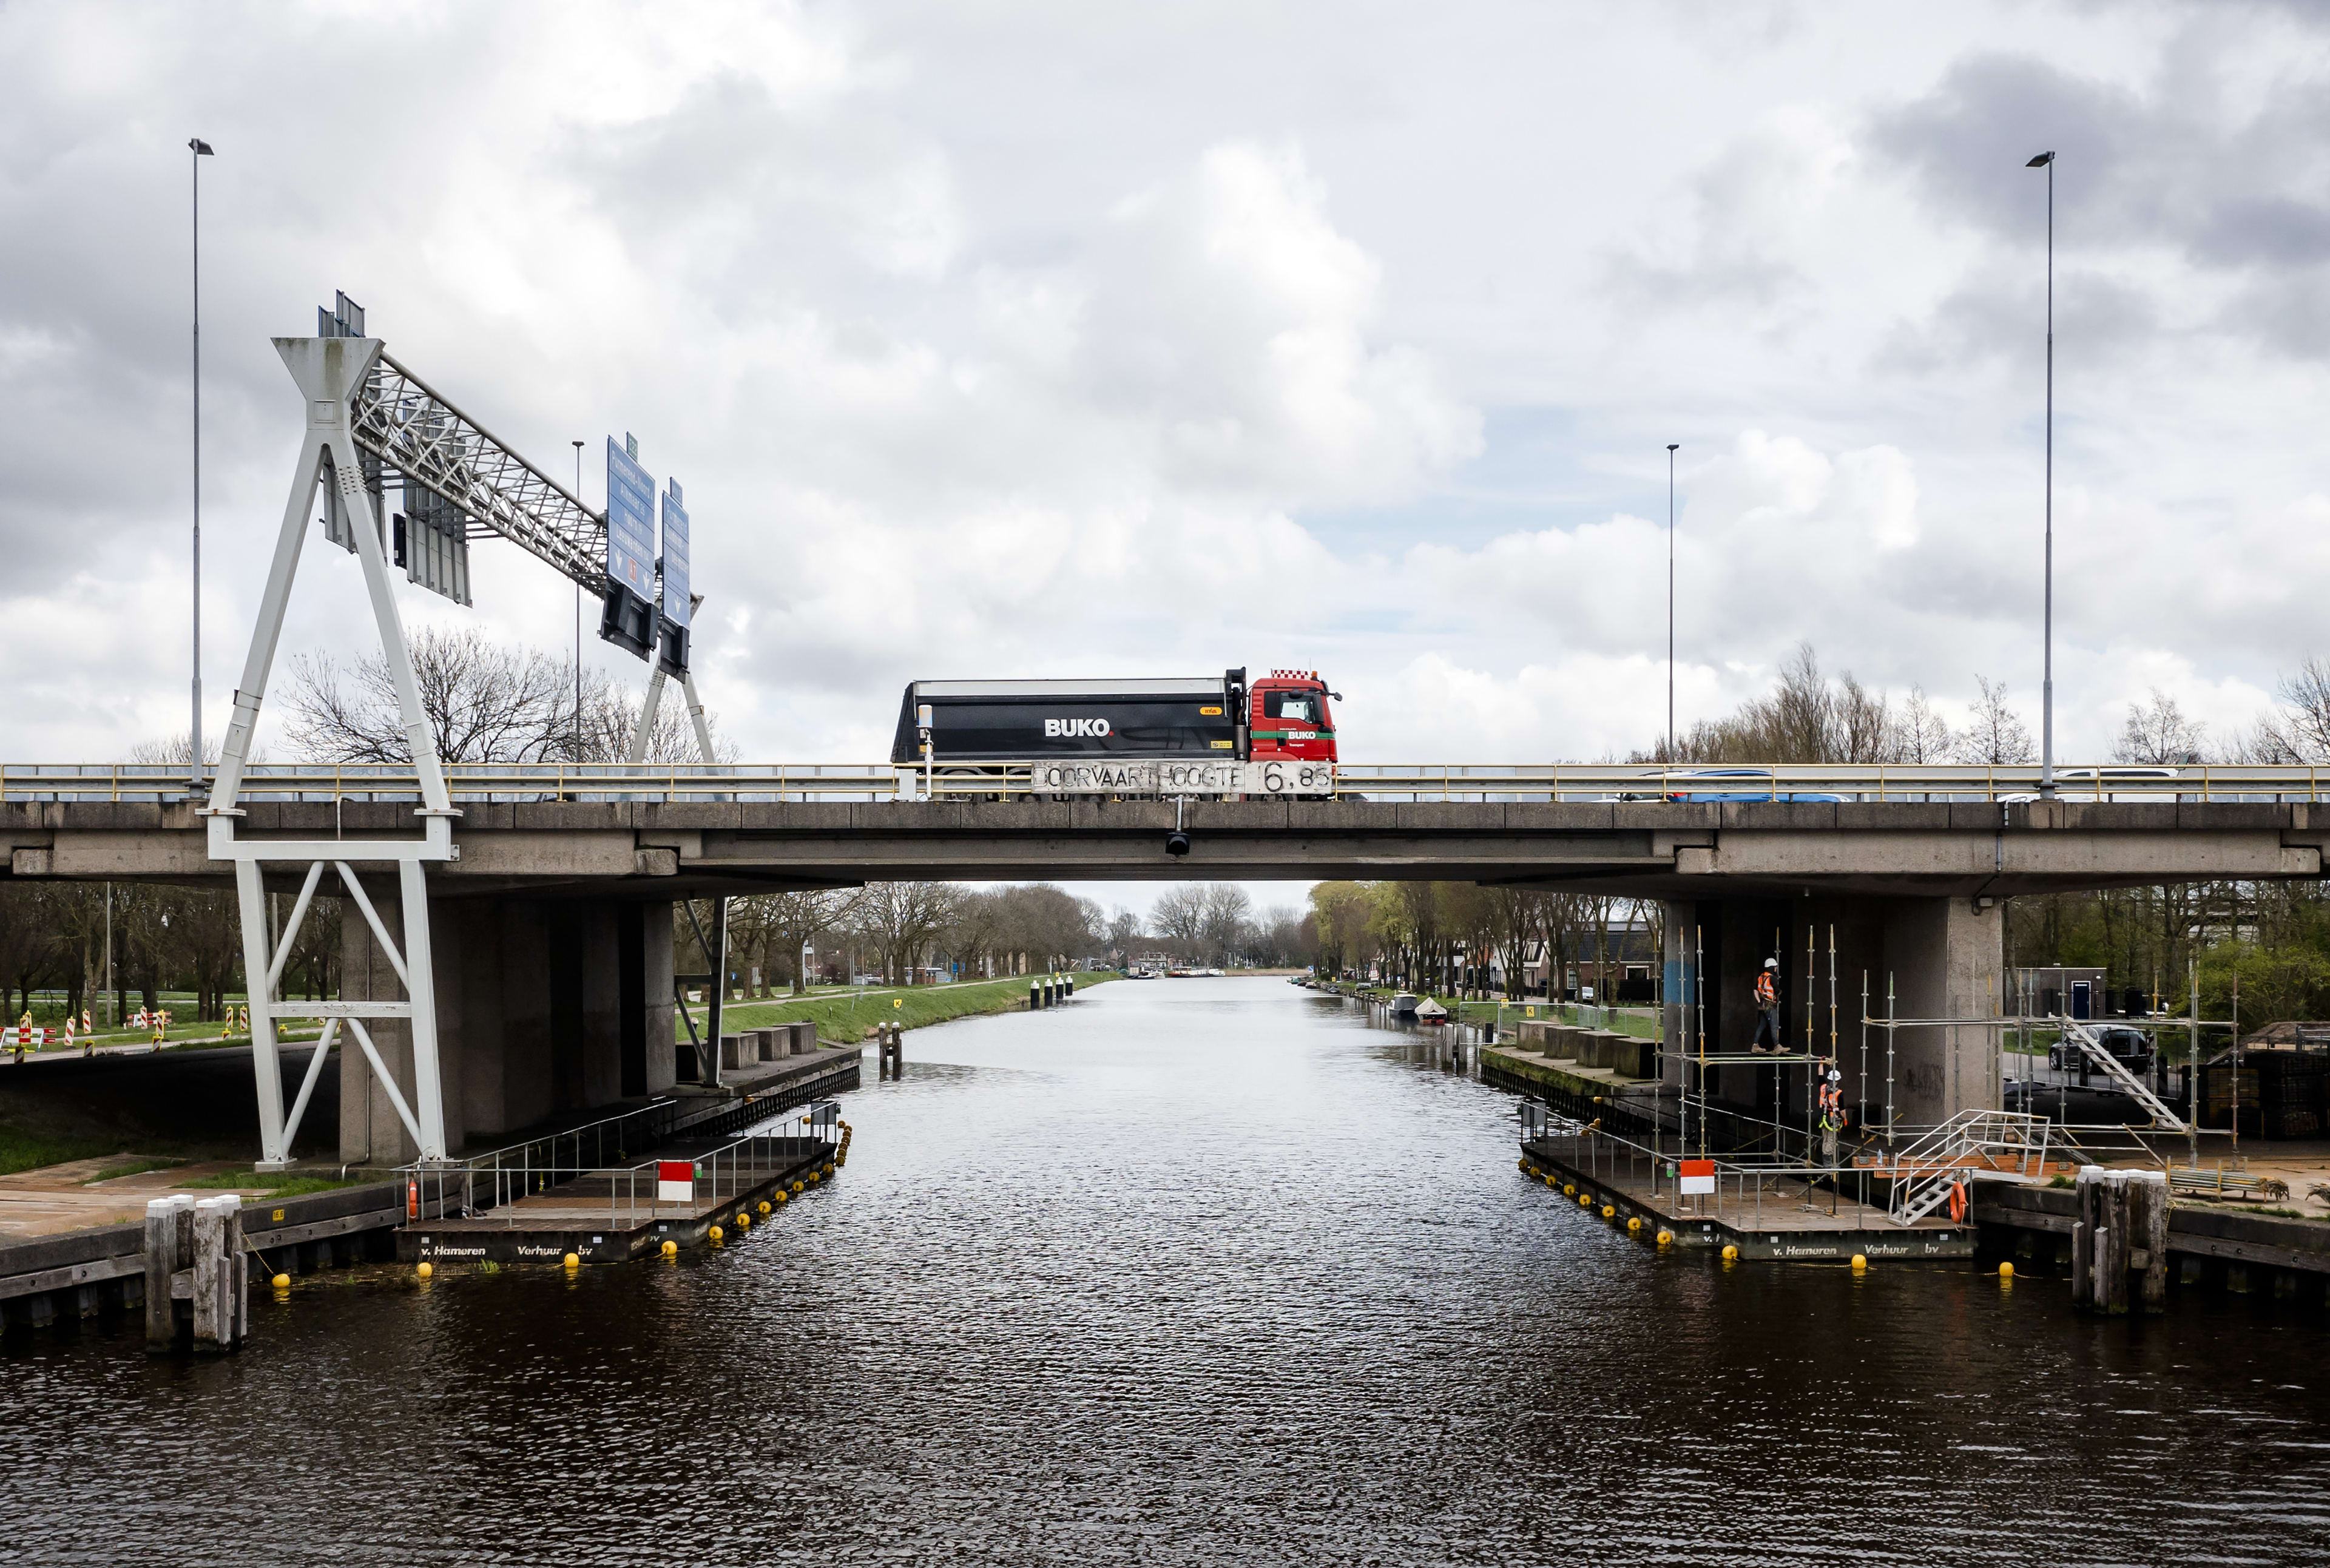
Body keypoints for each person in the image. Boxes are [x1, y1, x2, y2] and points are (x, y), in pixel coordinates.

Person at [1752, 957, 1781, 1052]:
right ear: (1773, 968)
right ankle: (1777, 1046)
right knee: (1774, 1026)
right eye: (1775, 967)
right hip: (1770, 1005)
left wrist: (1758, 1001)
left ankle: (1755, 1045)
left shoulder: (1761, 977)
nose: (1776, 969)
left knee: (1762, 1025)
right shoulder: (1773, 978)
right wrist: (1780, 992)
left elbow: (1755, 989)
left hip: (1763, 1005)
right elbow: (1777, 991)